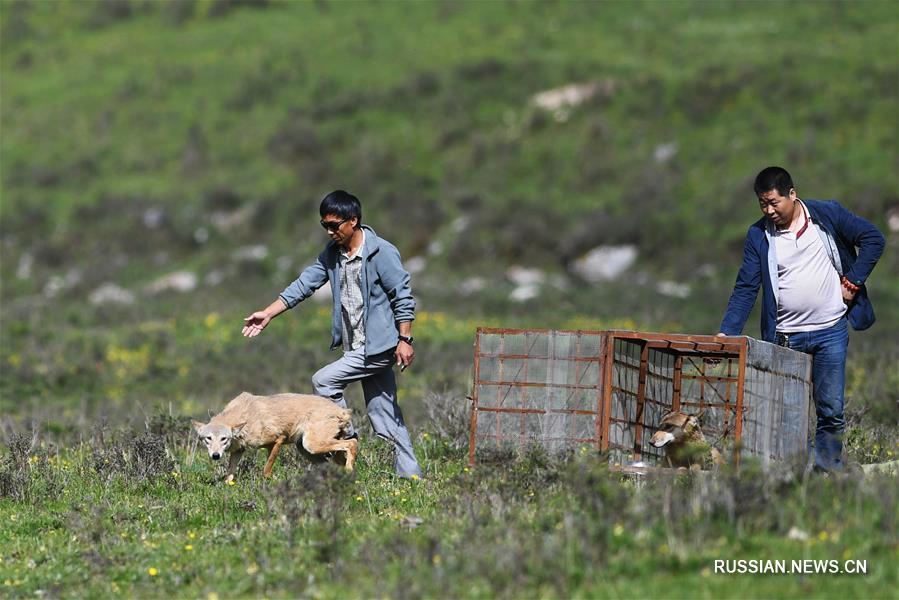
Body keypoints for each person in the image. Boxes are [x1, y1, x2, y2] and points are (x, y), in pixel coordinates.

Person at [242, 190, 422, 479]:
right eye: (324, 225)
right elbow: (303, 285)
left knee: (323, 381)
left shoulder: (381, 252)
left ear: (353, 221)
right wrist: (268, 313)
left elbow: (402, 295)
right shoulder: (332, 254)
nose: (329, 231)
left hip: (379, 347)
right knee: (385, 416)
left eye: (334, 225)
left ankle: (343, 439)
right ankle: (411, 477)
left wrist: (405, 339)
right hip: (354, 347)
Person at [717, 167, 885, 472]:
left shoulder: (827, 215)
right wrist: (727, 333)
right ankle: (800, 472)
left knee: (831, 409)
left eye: (773, 202)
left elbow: (873, 239)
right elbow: (745, 288)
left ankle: (828, 470)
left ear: (792, 195)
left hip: (830, 330)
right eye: (762, 205)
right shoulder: (759, 235)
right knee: (789, 414)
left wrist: (853, 282)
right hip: (785, 337)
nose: (769, 211)